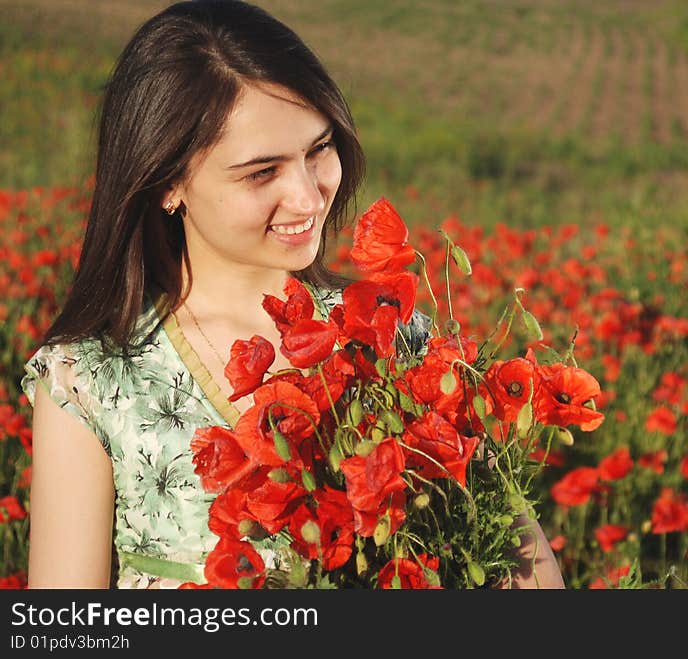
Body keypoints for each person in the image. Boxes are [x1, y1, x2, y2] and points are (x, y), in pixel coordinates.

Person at [21, 0, 564, 589]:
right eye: (262, 172)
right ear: (168, 181)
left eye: (318, 150)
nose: (308, 197)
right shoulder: (91, 380)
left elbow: (524, 569)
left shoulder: (395, 336)